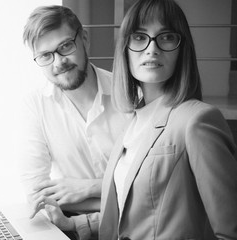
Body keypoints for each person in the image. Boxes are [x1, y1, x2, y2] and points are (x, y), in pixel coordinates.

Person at [30, 0, 237, 239]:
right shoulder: (133, 122)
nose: (152, 49)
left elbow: (230, 231)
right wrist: (73, 224)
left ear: (182, 48)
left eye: (166, 37)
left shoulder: (197, 120)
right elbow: (135, 214)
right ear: (125, 49)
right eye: (139, 37)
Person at [20, 5, 127, 220]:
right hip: (67, 223)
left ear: (84, 39)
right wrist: (109, 189)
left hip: (129, 222)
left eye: (66, 46)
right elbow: (37, 192)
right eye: (45, 55)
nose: (59, 62)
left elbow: (145, 183)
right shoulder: (35, 103)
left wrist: (86, 188)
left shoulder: (128, 94)